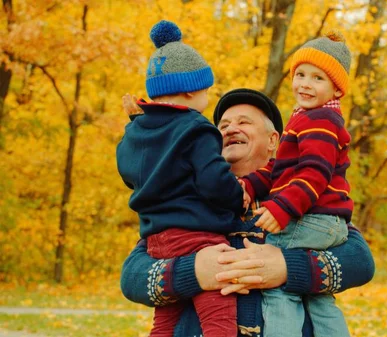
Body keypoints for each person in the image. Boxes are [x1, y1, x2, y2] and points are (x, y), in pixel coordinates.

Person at [120, 88, 375, 337]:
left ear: (274, 141)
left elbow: (360, 261)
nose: (231, 129)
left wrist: (288, 267)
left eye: (244, 122)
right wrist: (194, 271)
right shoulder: (187, 201)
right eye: (223, 126)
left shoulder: (299, 197)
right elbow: (132, 277)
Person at [116, 20, 244, 337]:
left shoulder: (137, 131)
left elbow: (127, 169)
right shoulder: (196, 128)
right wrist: (238, 196)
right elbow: (214, 181)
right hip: (197, 236)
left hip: (157, 240)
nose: (207, 98)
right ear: (189, 89)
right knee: (218, 319)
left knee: (164, 323)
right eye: (206, 90)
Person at [240, 32, 353, 337]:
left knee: (276, 283)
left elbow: (315, 173)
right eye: (300, 74)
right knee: (320, 298)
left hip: (312, 217)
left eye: (317, 78)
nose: (304, 83)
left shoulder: (319, 120)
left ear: (336, 89)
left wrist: (281, 209)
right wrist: (250, 186)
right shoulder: (307, 119)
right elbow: (278, 171)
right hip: (328, 221)